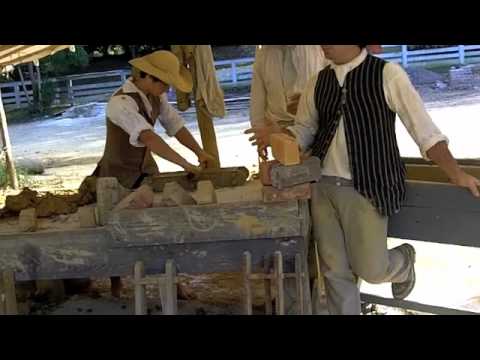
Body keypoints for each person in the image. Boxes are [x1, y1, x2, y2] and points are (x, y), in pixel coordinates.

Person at [246, 45, 480, 315]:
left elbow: (425, 131)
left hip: (368, 187)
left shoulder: (388, 75)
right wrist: (281, 139)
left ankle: (403, 262)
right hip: (322, 187)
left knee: (372, 268)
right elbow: (304, 130)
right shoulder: (318, 82)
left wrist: (456, 173)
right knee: (334, 272)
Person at [94, 50, 215, 297]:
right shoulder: (120, 103)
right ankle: (116, 283)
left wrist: (199, 152)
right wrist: (184, 164)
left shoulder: (156, 98)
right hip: (117, 175)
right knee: (117, 228)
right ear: (146, 77)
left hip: (146, 172)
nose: (168, 90)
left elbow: (176, 126)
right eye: (165, 84)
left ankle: (172, 282)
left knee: (158, 227)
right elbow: (149, 137)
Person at [249, 45, 326, 160]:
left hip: (316, 128)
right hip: (278, 130)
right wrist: (260, 135)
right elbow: (257, 102)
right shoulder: (265, 54)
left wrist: (308, 102)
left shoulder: (321, 50)